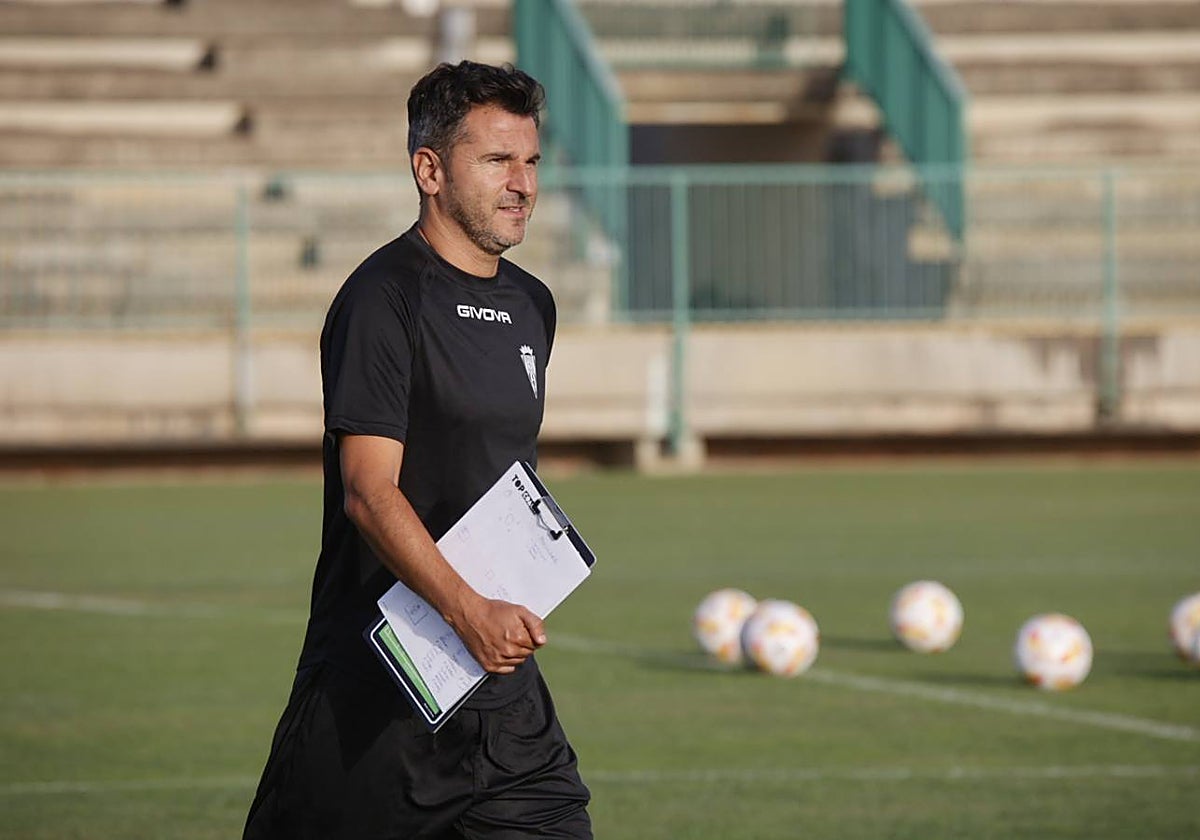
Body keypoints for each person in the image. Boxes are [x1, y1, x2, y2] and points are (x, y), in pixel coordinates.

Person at [243, 61, 591, 840]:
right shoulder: (382, 299)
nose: (523, 184)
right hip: (379, 703)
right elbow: (368, 491)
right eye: (497, 161)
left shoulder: (534, 304)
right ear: (429, 169)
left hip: (502, 702)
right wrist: (466, 610)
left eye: (532, 161)